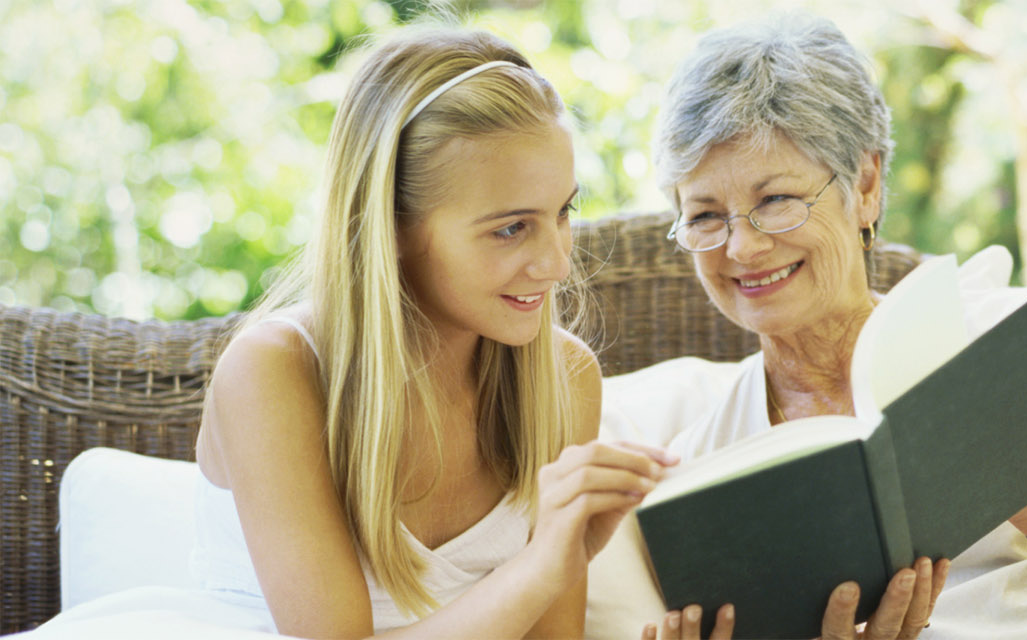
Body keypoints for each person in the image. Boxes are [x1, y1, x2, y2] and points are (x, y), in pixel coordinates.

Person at [639, 14, 1027, 640]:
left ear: (864, 186)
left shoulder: (998, 337)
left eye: (776, 201)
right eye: (705, 215)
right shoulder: (702, 472)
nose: (744, 247)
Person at [182, 26, 672, 638]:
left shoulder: (563, 379)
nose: (557, 265)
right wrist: (542, 566)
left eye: (563, 212)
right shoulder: (274, 372)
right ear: (390, 226)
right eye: (511, 228)